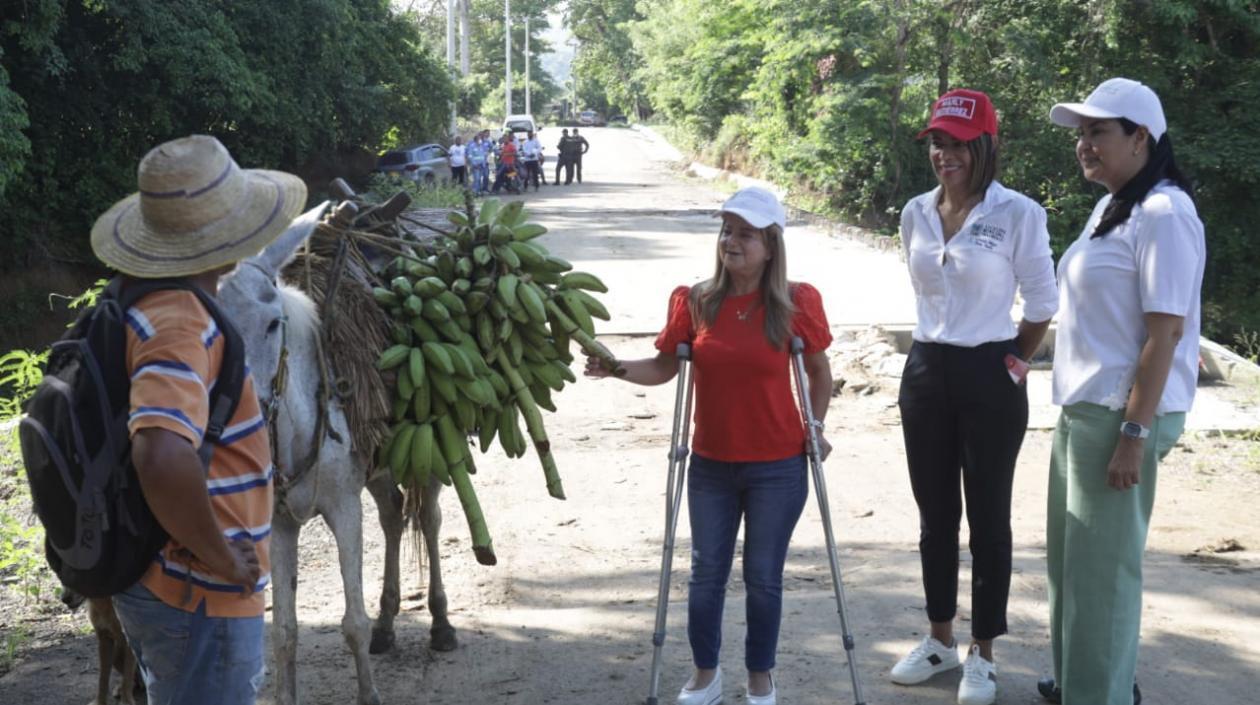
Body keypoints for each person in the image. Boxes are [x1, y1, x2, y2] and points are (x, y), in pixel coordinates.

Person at [585, 187, 833, 705]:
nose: (731, 241)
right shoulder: (696, 301)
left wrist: (816, 424)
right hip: (711, 464)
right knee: (705, 574)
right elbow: (662, 367)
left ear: (770, 245)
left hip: (779, 464)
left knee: (763, 577)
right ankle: (706, 674)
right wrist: (615, 369)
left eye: (745, 233)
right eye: (726, 230)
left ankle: (760, 676)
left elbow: (816, 370)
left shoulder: (795, 303)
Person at [91, 135, 304, 704]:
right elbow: (159, 453)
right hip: (197, 593)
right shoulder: (182, 323)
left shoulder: (136, 298)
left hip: (164, 577)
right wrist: (215, 551)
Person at [1038, 78, 1204, 705]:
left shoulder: (1165, 214)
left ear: (1141, 137)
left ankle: (1100, 694)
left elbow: (1164, 336)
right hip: (1085, 412)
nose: (1084, 144)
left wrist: (1133, 435)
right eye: (1081, 133)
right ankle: (1080, 681)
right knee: (1072, 567)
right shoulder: (1116, 207)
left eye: (1098, 131)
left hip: (1120, 417)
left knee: (1103, 575)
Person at [890, 89, 1058, 705]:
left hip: (991, 370)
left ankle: (982, 653)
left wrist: (1014, 360)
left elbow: (1042, 302)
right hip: (927, 369)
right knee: (936, 516)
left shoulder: (1018, 213)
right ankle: (938, 638)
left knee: (989, 518)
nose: (944, 154)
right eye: (937, 142)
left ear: (985, 145)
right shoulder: (915, 212)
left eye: (957, 143)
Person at [467, 131, 491, 195]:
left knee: (480, 178)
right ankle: (475, 191)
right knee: (477, 179)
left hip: (482, 165)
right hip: (476, 166)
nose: (480, 140)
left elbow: (483, 156)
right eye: (479, 139)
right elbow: (470, 156)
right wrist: (474, 164)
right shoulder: (472, 146)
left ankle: (479, 191)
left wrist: (485, 163)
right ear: (476, 140)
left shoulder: (481, 147)